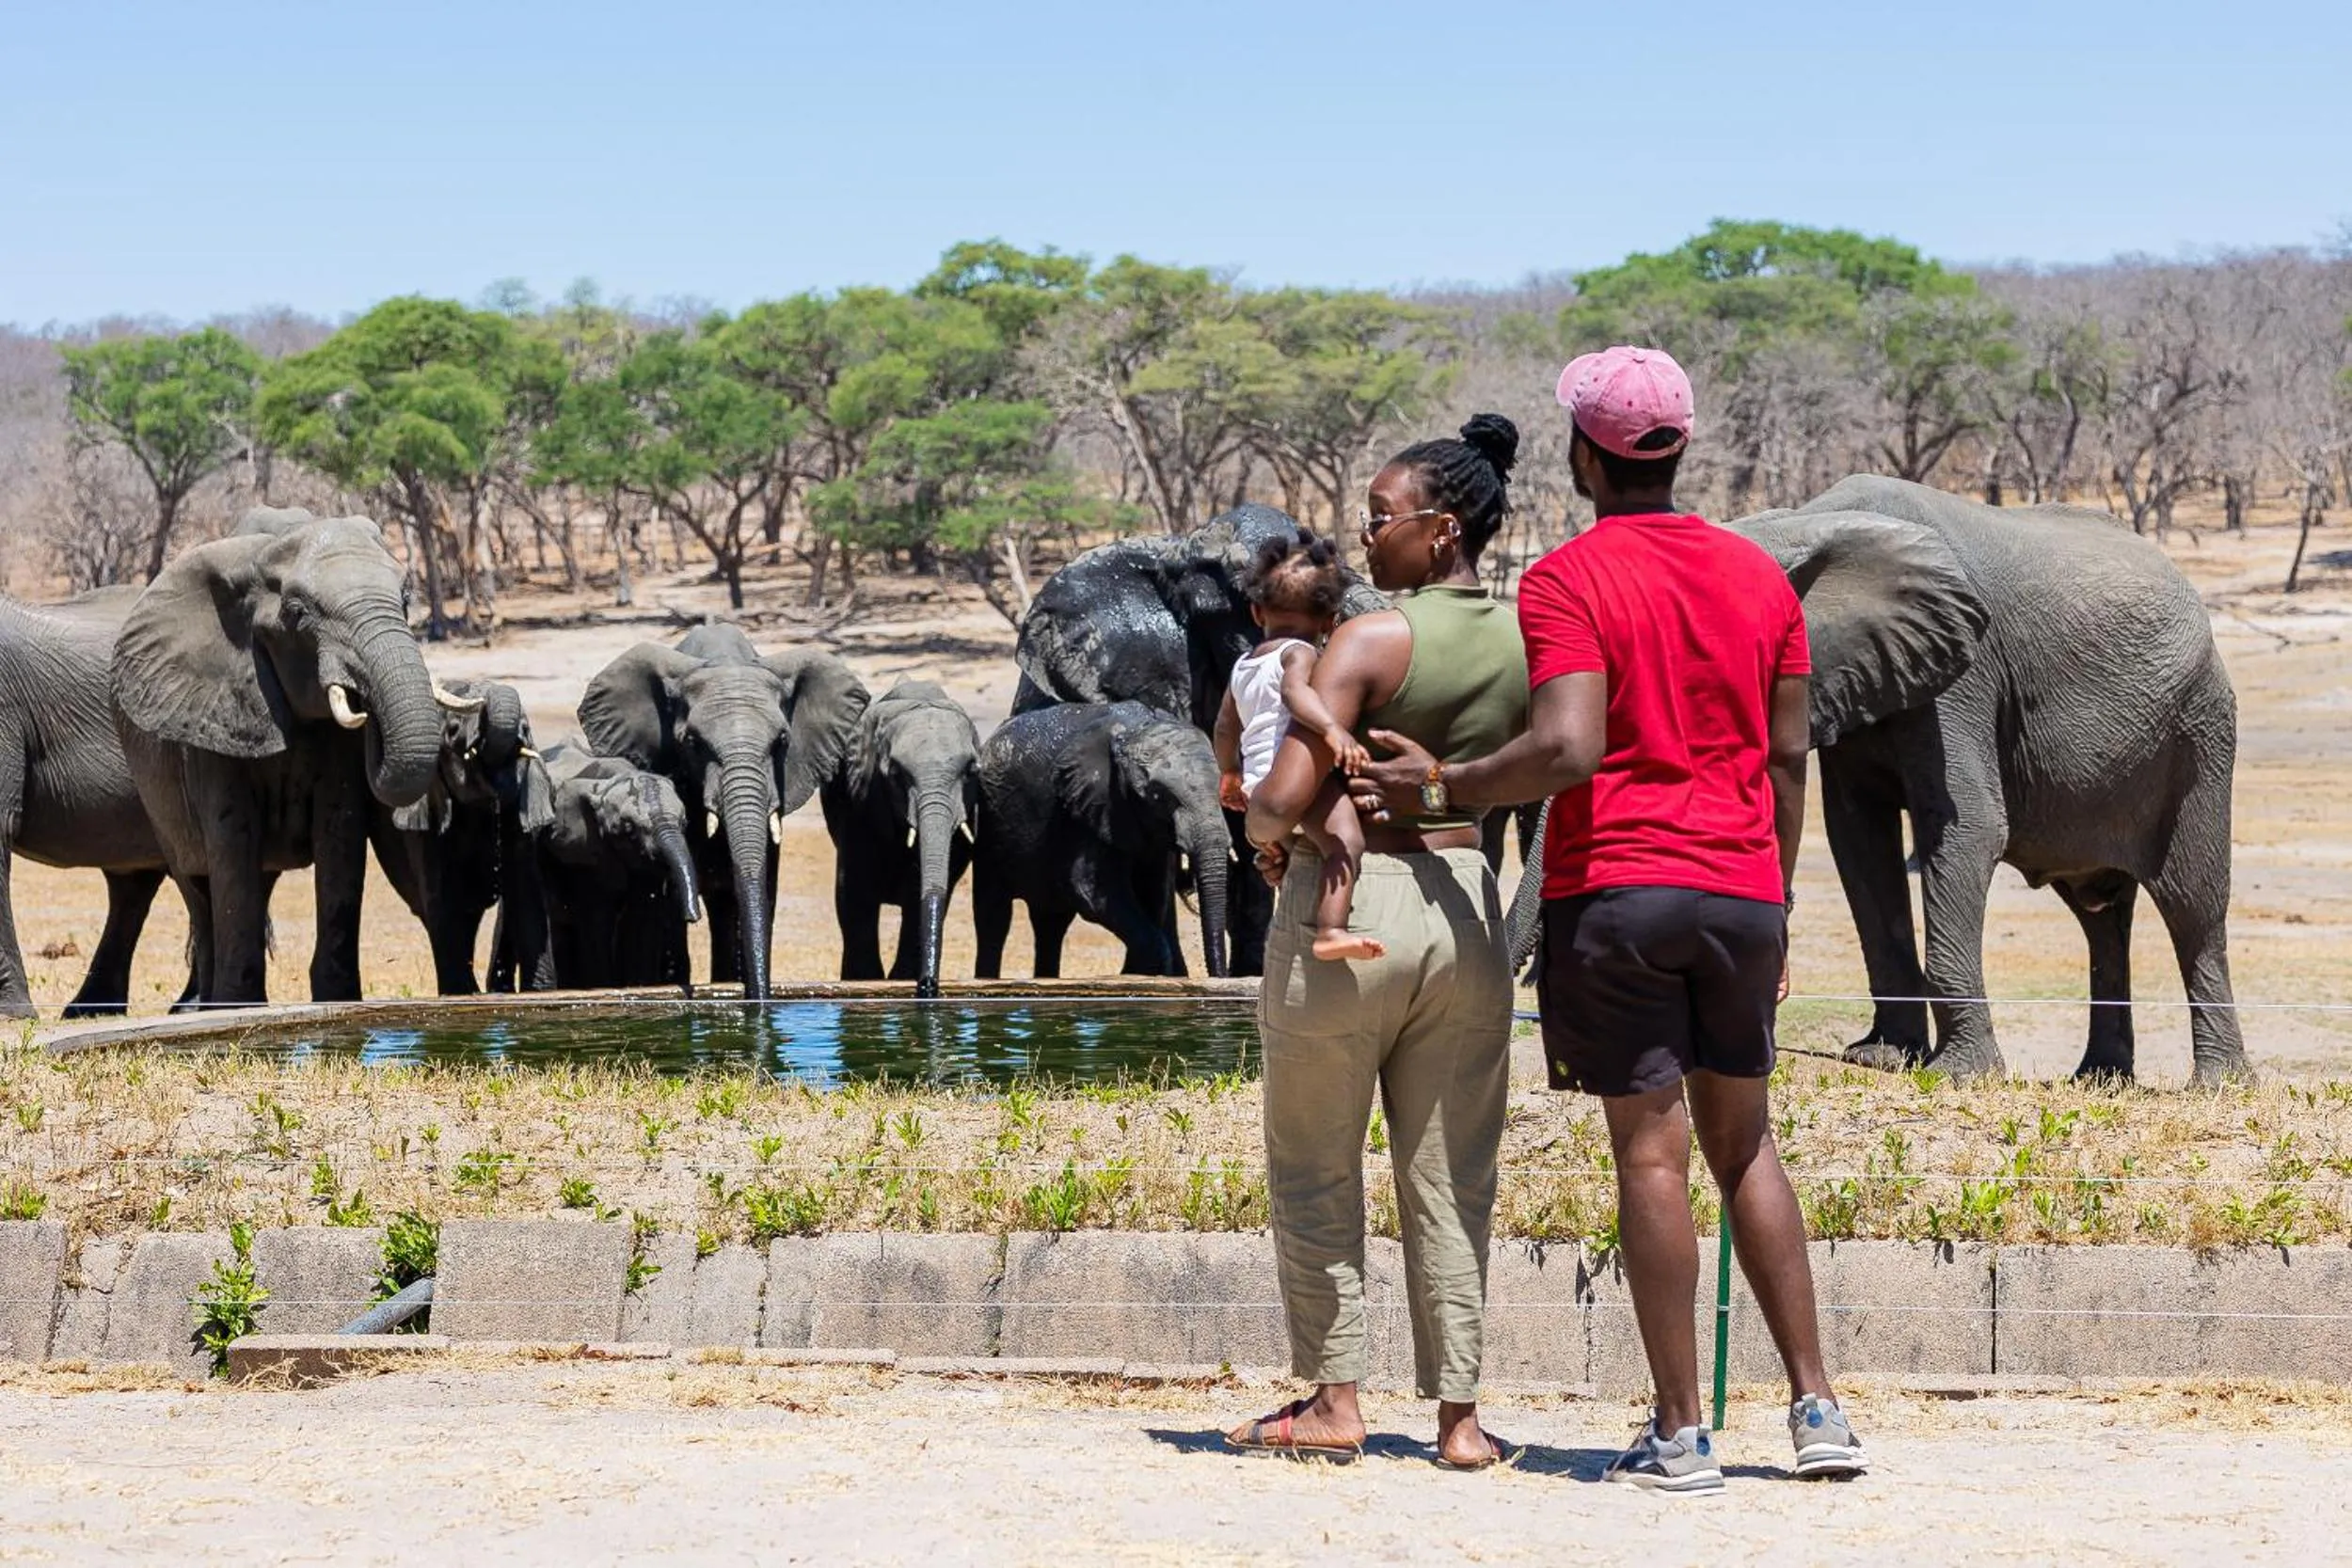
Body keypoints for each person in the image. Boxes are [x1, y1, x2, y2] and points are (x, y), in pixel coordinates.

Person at [1351, 348, 1866, 1494]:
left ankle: (1681, 1434)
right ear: (1676, 447)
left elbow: (1568, 747)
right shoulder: (1761, 580)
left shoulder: (1567, 579)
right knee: (1748, 1147)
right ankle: (1816, 1407)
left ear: (1585, 455)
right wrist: (1774, 900)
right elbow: (1788, 757)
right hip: (1741, 892)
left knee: (1651, 1152)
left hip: (1618, 890)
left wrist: (1439, 789)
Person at [1222, 415, 1528, 1470]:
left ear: (1441, 531)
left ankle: (1335, 1400)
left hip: (1355, 910)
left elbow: (1289, 791)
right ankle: (1460, 1419)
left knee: (1314, 1161)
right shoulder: (1530, 635)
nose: (1365, 539)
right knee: (1452, 1174)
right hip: (1470, 904)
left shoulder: (1371, 639)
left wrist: (1262, 832)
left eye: (1382, 519)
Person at [1213, 531, 1382, 962]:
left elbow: (1224, 729)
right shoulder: (1299, 653)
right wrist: (1332, 730)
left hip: (1256, 790)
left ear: (1255, 611)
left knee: (1287, 861)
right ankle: (1331, 929)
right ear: (1330, 621)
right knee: (1346, 841)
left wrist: (1230, 774)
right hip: (1293, 781)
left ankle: (1294, 923)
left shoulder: (1242, 665)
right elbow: (1294, 694)